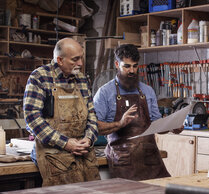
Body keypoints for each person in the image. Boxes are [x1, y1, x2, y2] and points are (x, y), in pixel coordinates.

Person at [93, 44, 182, 180]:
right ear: (117, 64)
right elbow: (96, 127)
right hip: (122, 159)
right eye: (127, 66)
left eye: (135, 66)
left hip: (149, 158)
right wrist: (120, 123)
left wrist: (170, 127)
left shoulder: (147, 91)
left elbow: (156, 125)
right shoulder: (105, 93)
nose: (132, 71)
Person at [23, 38, 101, 186]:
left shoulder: (82, 80)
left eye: (81, 58)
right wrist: (66, 144)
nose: (80, 64)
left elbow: (91, 114)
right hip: (54, 156)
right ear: (59, 60)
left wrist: (89, 139)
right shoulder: (40, 77)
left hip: (84, 153)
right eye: (75, 59)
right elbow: (32, 119)